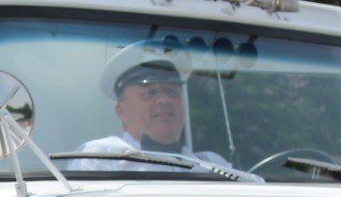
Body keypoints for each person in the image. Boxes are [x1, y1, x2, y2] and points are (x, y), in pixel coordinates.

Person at [66, 41, 233, 174]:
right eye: (150, 92)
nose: (165, 100)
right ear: (121, 110)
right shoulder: (100, 159)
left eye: (172, 92)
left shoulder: (212, 166)